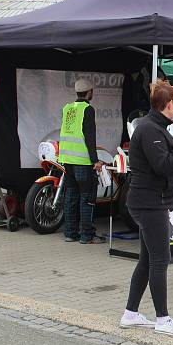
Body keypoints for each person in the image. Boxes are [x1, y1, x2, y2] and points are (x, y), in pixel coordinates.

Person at [120, 80, 173, 337]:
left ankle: (131, 313)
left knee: (147, 259)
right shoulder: (151, 130)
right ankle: (163, 319)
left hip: (149, 202)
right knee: (160, 260)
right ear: (167, 106)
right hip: (149, 204)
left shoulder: (156, 126)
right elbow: (164, 166)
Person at [59, 78, 105, 244]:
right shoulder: (88, 109)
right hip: (82, 161)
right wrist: (96, 160)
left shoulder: (67, 108)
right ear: (89, 92)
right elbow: (89, 136)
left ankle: (70, 233)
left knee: (71, 196)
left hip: (67, 160)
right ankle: (87, 235)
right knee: (87, 198)